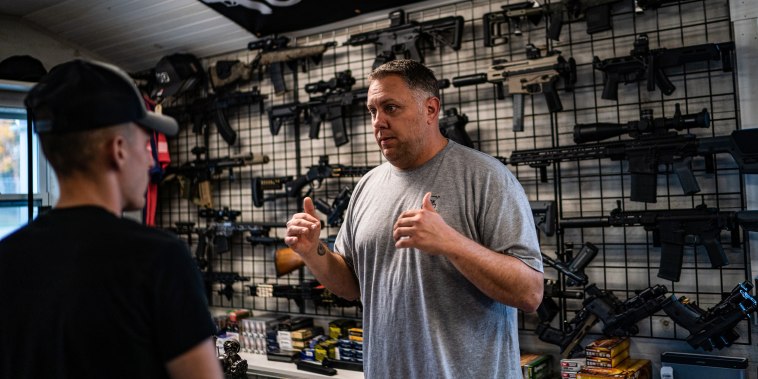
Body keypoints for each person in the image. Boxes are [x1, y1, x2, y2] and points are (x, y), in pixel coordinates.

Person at [284, 59, 544, 378]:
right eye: (372, 111)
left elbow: (530, 294)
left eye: (391, 108)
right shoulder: (367, 186)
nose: (378, 122)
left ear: (431, 109)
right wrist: (314, 252)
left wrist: (451, 243)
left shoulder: (488, 178)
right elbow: (352, 286)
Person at [0, 59, 223, 379]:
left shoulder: (6, 259)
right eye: (146, 145)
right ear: (118, 150)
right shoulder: (159, 259)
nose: (150, 160)